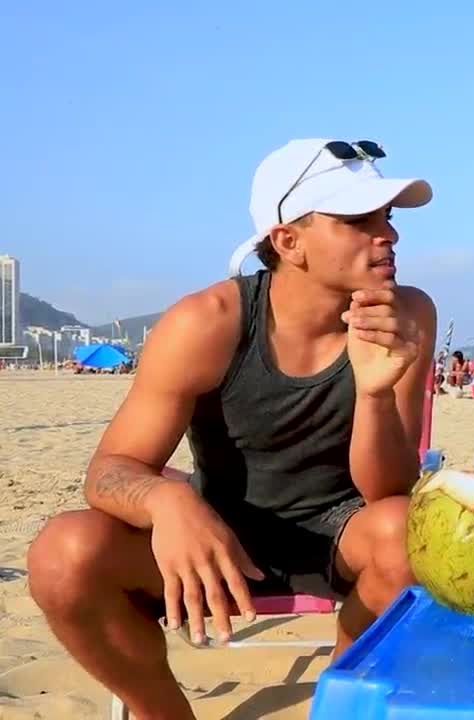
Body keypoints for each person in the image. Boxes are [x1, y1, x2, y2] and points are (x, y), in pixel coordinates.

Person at [25, 139, 438, 720]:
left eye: (386, 217)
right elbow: (110, 470)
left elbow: (389, 490)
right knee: (63, 554)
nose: (387, 235)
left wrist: (373, 393)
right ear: (287, 241)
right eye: (356, 220)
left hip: (345, 535)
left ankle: (338, 706)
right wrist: (167, 500)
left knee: (406, 533)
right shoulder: (207, 323)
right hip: (220, 534)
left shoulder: (405, 314)